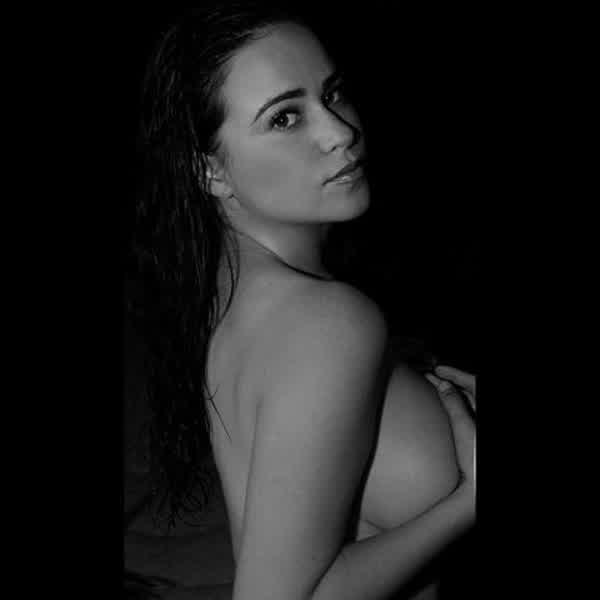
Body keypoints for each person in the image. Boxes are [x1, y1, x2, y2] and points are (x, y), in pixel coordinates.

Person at [126, 1, 476, 598]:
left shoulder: (239, 293)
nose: (341, 132)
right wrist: (467, 504)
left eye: (332, 94)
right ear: (209, 171)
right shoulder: (326, 320)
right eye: (285, 117)